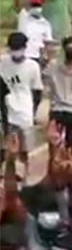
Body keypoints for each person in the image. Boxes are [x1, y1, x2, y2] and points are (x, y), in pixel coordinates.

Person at [0, 32, 43, 176]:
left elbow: (37, 92)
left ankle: (23, 175)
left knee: (24, 149)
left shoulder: (32, 66)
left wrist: (33, 111)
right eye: (12, 48)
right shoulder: (2, 61)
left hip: (24, 113)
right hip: (6, 112)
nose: (15, 51)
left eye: (18, 48)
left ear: (24, 48)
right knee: (4, 148)